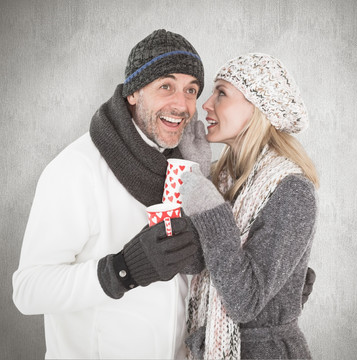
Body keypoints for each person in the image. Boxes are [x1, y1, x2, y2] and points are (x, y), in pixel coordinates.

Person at [12, 29, 210, 359]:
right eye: (166, 86)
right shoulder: (78, 168)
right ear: (133, 93)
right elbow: (28, 290)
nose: (182, 104)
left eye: (191, 90)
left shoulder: (182, 166)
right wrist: (123, 270)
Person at [179, 53, 319, 359]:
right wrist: (198, 174)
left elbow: (244, 301)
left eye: (222, 93)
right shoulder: (223, 179)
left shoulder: (291, 190)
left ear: (258, 107)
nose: (206, 104)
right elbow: (192, 262)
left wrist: (208, 208)